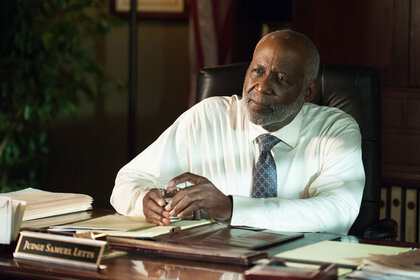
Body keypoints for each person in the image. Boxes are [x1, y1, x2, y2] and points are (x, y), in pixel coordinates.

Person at [110, 30, 365, 235]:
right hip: (217, 263)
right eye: (258, 71)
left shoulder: (335, 130)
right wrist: (144, 200)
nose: (262, 87)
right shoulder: (208, 117)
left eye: (280, 78)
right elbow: (126, 181)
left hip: (299, 268)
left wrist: (232, 208)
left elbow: (339, 212)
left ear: (308, 92)